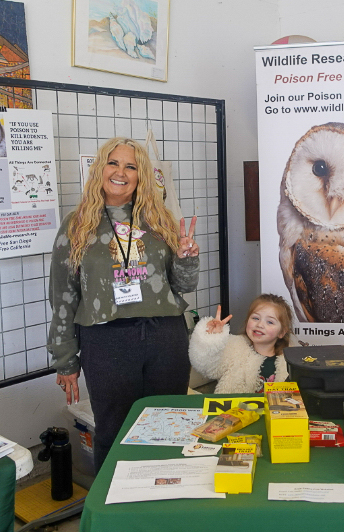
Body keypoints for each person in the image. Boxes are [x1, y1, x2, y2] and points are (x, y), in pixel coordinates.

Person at [47, 137, 199, 472]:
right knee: (114, 431)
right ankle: (114, 513)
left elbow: (183, 287)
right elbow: (62, 296)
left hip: (166, 336)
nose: (121, 172)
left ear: (141, 176)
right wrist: (65, 360)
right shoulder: (76, 225)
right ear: (99, 169)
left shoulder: (159, 220)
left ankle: (166, 501)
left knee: (171, 425)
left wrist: (187, 259)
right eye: (113, 163)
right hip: (106, 341)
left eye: (130, 166)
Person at [189, 294, 293, 393]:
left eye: (270, 322)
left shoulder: (290, 362)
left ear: (282, 332)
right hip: (231, 411)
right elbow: (205, 365)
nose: (260, 324)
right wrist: (212, 337)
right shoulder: (233, 348)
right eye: (255, 318)